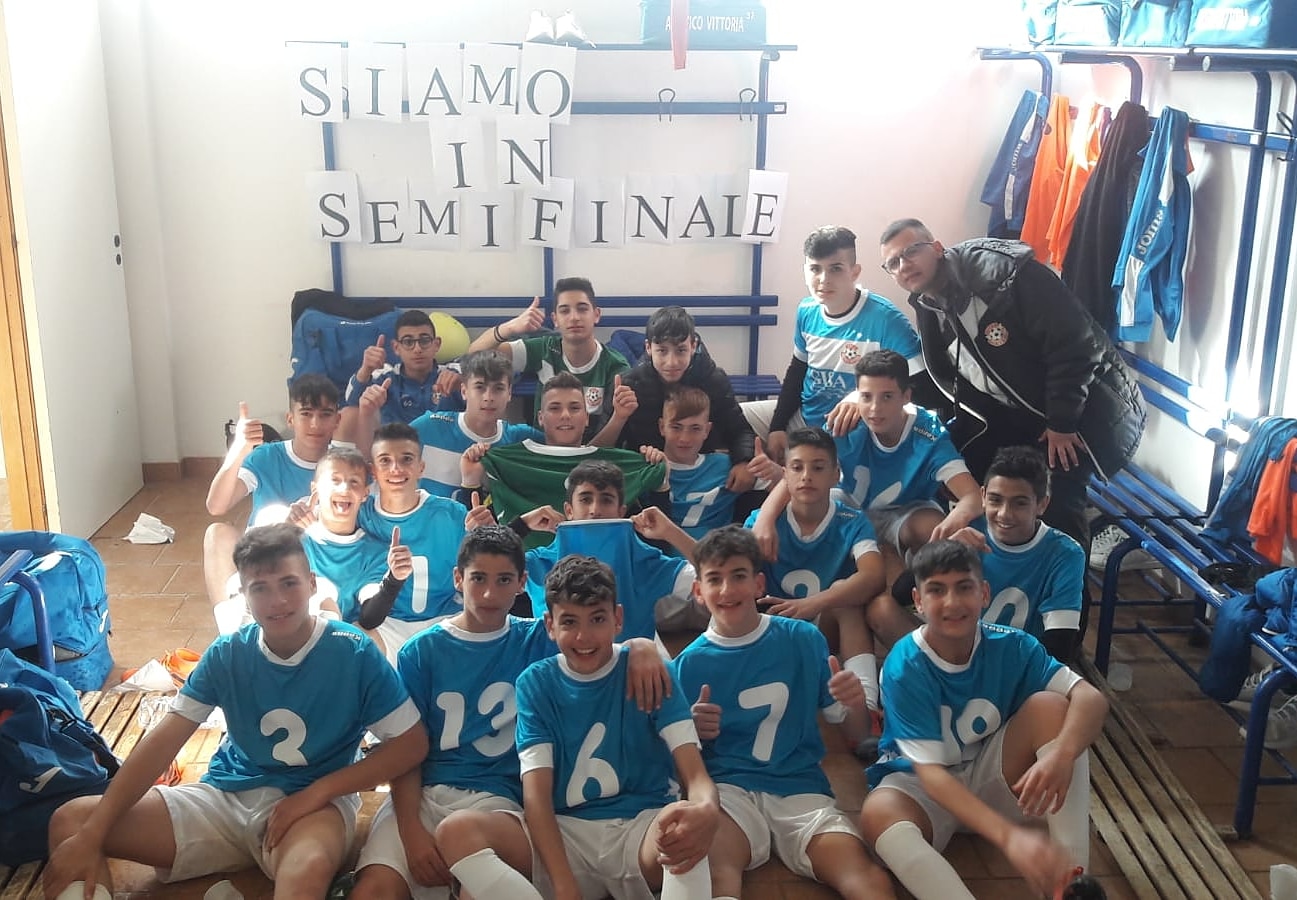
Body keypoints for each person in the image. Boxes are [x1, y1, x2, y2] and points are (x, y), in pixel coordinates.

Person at [43, 523, 428, 900]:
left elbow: (410, 745)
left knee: (307, 868)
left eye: (289, 583)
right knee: (73, 821)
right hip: (227, 797)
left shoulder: (352, 651)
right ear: (243, 596)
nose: (277, 601)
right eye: (260, 588)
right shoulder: (229, 653)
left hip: (313, 809)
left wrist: (319, 791)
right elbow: (164, 742)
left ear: (312, 584)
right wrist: (94, 832)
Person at [352, 525, 674, 900]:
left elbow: (594, 642)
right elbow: (406, 749)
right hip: (421, 796)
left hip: (498, 800)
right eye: (478, 578)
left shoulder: (539, 638)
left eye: (504, 580)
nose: (490, 593)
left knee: (478, 890)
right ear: (458, 579)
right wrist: (410, 831)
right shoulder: (420, 652)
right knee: (374, 891)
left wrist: (640, 646)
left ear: (522, 583)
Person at [877, 217, 1144, 557]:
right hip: (1016, 414)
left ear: (937, 248)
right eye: (893, 263)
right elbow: (950, 379)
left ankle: (1068, 585)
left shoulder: (1005, 274)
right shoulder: (929, 303)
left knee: (1056, 501)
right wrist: (874, 402)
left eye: (912, 251)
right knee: (957, 473)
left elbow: (1076, 346)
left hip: (1081, 411)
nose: (904, 265)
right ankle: (993, 575)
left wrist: (1062, 423)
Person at [859, 540, 1108, 900]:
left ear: (984, 593)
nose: (952, 602)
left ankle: (1071, 882)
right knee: (878, 816)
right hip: (923, 788)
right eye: (937, 590)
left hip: (991, 774)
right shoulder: (904, 665)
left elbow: (1091, 698)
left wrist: (1062, 754)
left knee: (1054, 709)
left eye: (964, 587)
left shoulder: (1015, 644)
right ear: (918, 600)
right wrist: (1009, 838)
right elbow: (931, 777)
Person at [672, 525, 897, 899]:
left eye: (739, 576)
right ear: (698, 591)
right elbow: (679, 764)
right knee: (714, 873)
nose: (727, 590)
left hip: (800, 787)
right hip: (728, 791)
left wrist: (855, 703)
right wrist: (692, 732)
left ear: (759, 584)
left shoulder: (802, 639)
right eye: (714, 579)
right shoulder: (687, 664)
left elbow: (856, 734)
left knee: (863, 874)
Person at [513, 554, 719, 900]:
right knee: (462, 832)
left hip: (641, 826)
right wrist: (565, 887)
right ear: (550, 625)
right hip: (567, 832)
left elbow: (695, 775)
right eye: (569, 622)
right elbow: (536, 798)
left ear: (618, 618)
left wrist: (706, 808)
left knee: (685, 829)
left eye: (597, 619)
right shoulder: (534, 683)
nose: (584, 636)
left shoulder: (652, 671)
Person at [743, 429, 908, 741]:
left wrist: (813, 604)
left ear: (835, 474)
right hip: (775, 631)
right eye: (797, 467)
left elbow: (873, 576)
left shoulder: (850, 519)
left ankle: (866, 708)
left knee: (847, 599)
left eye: (818, 468)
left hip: (824, 632)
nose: (807, 476)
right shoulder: (762, 523)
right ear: (784, 474)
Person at [755, 349, 981, 566]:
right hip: (847, 505)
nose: (874, 408)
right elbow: (803, 471)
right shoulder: (845, 421)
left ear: (906, 396)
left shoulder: (929, 433)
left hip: (905, 512)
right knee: (805, 504)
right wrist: (764, 518)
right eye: (866, 396)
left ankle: (906, 572)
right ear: (856, 395)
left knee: (932, 527)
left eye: (887, 397)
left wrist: (956, 518)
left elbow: (972, 496)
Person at [742, 225, 922, 463]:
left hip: (852, 430)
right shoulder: (807, 310)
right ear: (805, 271)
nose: (823, 279)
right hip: (805, 418)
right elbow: (797, 371)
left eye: (835, 269)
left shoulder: (886, 319)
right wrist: (777, 426)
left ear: (854, 272)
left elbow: (921, 385)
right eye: (815, 269)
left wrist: (861, 397)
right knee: (735, 420)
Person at [467, 372, 667, 541]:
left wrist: (660, 479)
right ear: (540, 418)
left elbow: (656, 535)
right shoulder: (506, 463)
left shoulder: (620, 465)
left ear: (586, 418)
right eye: (555, 408)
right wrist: (470, 482)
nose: (565, 415)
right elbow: (482, 539)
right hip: (532, 572)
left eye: (574, 408)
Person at [514, 460, 700, 640]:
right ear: (569, 510)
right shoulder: (540, 561)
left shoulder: (644, 560)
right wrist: (521, 524)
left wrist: (670, 531)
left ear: (621, 511)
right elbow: (493, 561)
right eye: (585, 499)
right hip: (553, 661)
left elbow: (710, 575)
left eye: (606, 500)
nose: (595, 509)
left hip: (627, 661)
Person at [203, 374, 340, 614]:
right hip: (259, 557)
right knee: (217, 534)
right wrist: (239, 450)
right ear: (290, 419)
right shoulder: (266, 456)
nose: (315, 424)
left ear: (337, 420)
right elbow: (216, 506)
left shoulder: (344, 464)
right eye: (306, 414)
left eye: (325, 414)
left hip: (314, 564)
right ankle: (232, 625)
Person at [949, 445, 1085, 661]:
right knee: (890, 615)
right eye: (995, 500)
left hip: (1018, 664)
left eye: (1019, 503)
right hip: (956, 655)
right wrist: (944, 552)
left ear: (1042, 504)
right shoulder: (966, 531)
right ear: (982, 496)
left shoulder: (1065, 554)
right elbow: (905, 595)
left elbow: (1060, 643)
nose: (1004, 514)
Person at [600, 305, 756, 494]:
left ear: (694, 346)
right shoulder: (628, 386)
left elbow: (740, 430)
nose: (672, 362)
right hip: (647, 479)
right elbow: (602, 453)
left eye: (681, 350)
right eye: (662, 351)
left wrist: (744, 462)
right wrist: (618, 417)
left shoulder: (714, 380)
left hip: (701, 475)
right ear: (648, 348)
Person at [356, 424, 471, 663]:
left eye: (406, 459)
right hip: (387, 625)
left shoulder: (452, 514)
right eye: (385, 461)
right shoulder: (359, 513)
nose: (396, 469)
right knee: (351, 643)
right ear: (373, 471)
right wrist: (301, 517)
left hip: (446, 620)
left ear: (421, 467)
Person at [466, 277, 630, 442]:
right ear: (555, 319)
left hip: (592, 454)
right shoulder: (545, 349)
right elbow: (475, 355)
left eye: (582, 309)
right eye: (565, 311)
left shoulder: (615, 366)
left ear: (596, 314)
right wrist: (510, 327)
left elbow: (613, 441)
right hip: (542, 451)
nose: (574, 317)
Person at [397, 350, 537, 498]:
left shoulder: (522, 438)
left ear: (509, 393)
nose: (488, 397)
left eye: (498, 388)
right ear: (464, 391)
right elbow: (383, 459)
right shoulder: (427, 427)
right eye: (480, 387)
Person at [336, 309, 464, 443]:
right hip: (394, 450)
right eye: (408, 342)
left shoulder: (454, 374)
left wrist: (463, 385)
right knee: (349, 413)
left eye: (424, 340)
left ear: (436, 345)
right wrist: (365, 369)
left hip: (444, 450)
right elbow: (351, 401)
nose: (417, 349)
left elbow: (479, 396)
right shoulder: (385, 376)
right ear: (396, 348)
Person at [646, 386, 754, 543]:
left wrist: (772, 470)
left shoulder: (727, 466)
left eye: (695, 428)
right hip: (661, 555)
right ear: (662, 427)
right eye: (676, 427)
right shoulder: (648, 468)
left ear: (707, 430)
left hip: (717, 555)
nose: (684, 438)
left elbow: (782, 484)